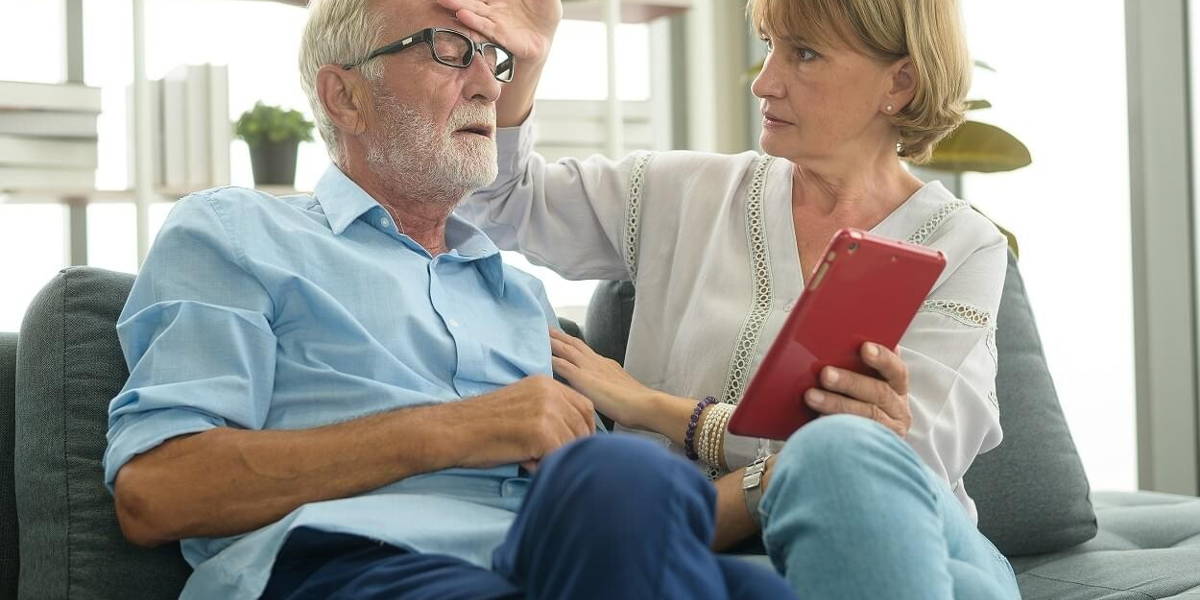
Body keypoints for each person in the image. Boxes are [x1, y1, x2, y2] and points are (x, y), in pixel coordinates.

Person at [101, 0, 797, 598]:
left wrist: (790, 465)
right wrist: (459, 429)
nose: (489, 86)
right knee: (627, 475)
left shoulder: (517, 294)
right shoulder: (236, 233)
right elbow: (157, 492)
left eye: (492, 59)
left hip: (551, 558)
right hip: (359, 566)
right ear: (345, 97)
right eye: (447, 49)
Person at [456, 0, 1022, 597]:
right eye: (770, 46)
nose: (764, 82)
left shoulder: (963, 245)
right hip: (733, 552)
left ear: (899, 83)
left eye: (805, 54)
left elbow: (901, 462)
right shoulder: (685, 193)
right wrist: (527, 60)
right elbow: (499, 203)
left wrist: (654, 407)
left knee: (847, 456)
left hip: (903, 533)